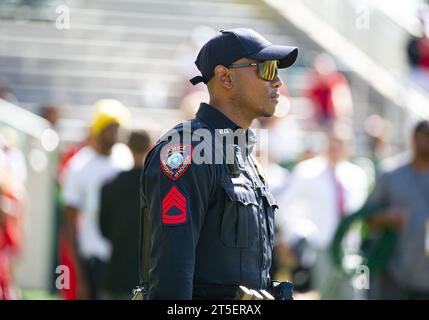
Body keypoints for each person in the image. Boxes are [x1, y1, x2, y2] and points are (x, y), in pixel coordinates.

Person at [139, 28, 298, 300]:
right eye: (267, 69)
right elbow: (171, 276)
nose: (278, 81)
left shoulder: (246, 157)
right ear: (225, 77)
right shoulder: (187, 150)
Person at [276, 127, 369, 299]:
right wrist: (293, 235)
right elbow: (283, 206)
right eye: (333, 142)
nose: (336, 147)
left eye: (342, 143)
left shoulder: (357, 175)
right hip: (321, 248)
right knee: (323, 295)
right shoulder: (307, 171)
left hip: (349, 249)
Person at [61, 99, 133, 300]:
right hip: (93, 258)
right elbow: (69, 222)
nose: (114, 134)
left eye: (117, 128)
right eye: (109, 128)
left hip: (123, 256)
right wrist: (80, 276)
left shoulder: (125, 158)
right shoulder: (78, 166)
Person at [364, 120, 429, 299]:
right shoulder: (391, 174)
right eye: (423, 135)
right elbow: (366, 218)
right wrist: (386, 217)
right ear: (414, 138)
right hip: (395, 275)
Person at [99, 130, 152, 299]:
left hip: (116, 271)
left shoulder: (111, 185)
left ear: (128, 147)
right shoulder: (156, 185)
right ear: (151, 147)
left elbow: (104, 230)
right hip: (146, 274)